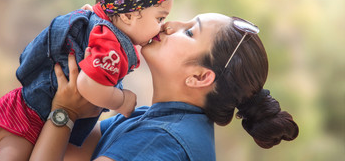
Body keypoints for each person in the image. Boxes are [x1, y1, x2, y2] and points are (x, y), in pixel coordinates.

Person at [30, 13, 299, 161]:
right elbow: (65, 154)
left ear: (200, 77)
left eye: (190, 32)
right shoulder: (148, 118)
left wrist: (64, 110)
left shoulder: (162, 141)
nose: (171, 25)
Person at [0, 0, 174, 160]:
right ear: (128, 15)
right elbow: (87, 84)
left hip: (28, 114)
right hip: (26, 120)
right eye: (160, 18)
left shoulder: (95, 19)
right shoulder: (110, 46)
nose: (162, 26)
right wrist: (121, 101)